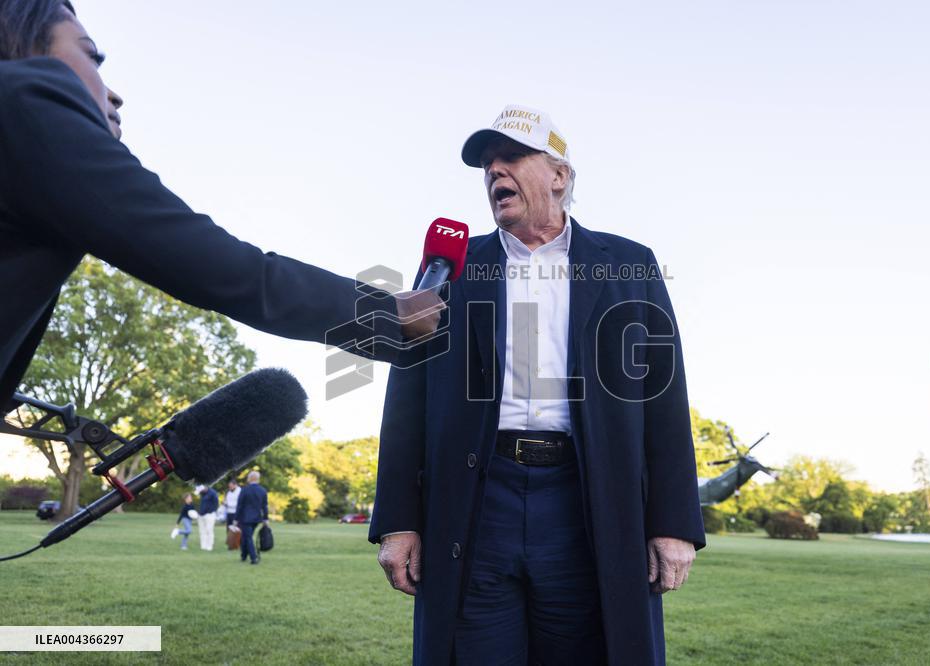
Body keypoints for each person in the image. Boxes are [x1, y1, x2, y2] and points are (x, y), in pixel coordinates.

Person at [370, 105, 705, 665]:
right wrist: (399, 521)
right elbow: (407, 399)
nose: (494, 171)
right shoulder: (449, 268)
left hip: (588, 499)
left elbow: (664, 399)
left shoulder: (628, 264)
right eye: (486, 164)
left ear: (559, 175)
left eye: (510, 157)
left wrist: (673, 523)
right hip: (478, 503)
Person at [0, 0, 443, 410]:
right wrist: (387, 314)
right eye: (93, 57)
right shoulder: (27, 97)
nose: (114, 94)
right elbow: (222, 269)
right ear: (24, 44)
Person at [235, 470, 268, 565]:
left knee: (248, 537)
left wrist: (236, 519)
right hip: (257, 518)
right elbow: (264, 506)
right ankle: (243, 555)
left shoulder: (244, 490)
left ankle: (254, 557)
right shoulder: (262, 490)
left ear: (249, 478)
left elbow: (240, 505)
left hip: (245, 518)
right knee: (246, 536)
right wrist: (265, 518)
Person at [196, 484, 219, 551]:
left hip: (210, 515)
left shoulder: (213, 493)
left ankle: (209, 546)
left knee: (209, 530)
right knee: (202, 531)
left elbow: (216, 504)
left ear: (205, 487)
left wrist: (211, 511)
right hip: (201, 515)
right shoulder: (202, 493)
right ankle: (203, 546)